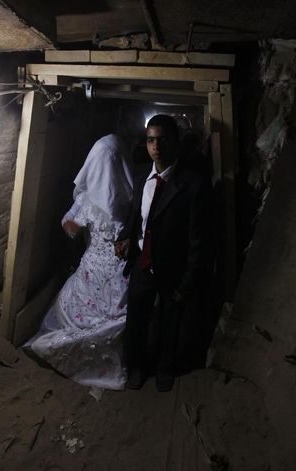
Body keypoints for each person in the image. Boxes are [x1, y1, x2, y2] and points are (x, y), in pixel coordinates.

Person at [26, 105, 144, 390]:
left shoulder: (92, 197)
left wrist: (85, 235)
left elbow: (69, 226)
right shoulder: (129, 192)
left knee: (97, 307)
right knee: (118, 310)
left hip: (100, 265)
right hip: (114, 266)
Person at [115, 114, 212, 392]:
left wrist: (189, 281)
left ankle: (164, 369)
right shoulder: (140, 175)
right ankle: (137, 367)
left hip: (173, 267)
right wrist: (125, 239)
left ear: (176, 143)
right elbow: (136, 218)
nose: (156, 146)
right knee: (137, 319)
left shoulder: (193, 184)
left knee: (170, 321)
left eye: (163, 140)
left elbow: (198, 240)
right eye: (150, 140)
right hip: (142, 264)